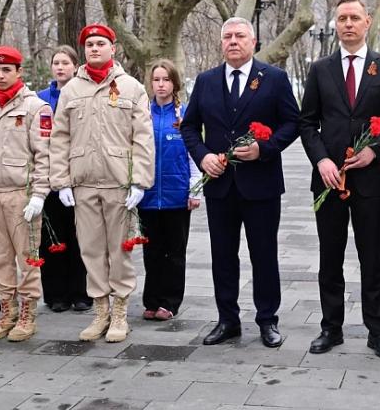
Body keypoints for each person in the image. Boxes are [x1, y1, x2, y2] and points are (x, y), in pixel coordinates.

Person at [299, 0, 380, 359]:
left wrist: (375, 150)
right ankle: (331, 328)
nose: (348, 24)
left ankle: (378, 330)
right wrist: (321, 161)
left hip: (370, 181)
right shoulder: (320, 69)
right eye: (342, 18)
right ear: (335, 24)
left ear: (368, 22)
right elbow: (307, 122)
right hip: (329, 180)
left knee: (371, 256)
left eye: (354, 18)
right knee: (330, 256)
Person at [180, 17, 300, 348]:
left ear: (253, 41)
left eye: (240, 36)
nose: (233, 41)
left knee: (264, 254)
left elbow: (293, 122)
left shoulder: (274, 78)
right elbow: (189, 126)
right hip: (220, 185)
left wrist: (265, 148)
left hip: (261, 184)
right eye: (228, 37)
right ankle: (227, 320)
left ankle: (267, 320)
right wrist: (203, 156)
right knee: (222, 256)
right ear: (221, 43)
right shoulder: (205, 81)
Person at [50, 24, 155, 343]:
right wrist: (61, 181)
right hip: (83, 183)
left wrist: (139, 181)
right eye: (89, 44)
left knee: (119, 250)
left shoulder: (131, 88)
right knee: (91, 249)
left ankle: (120, 312)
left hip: (118, 182)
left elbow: (143, 138)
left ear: (113, 48)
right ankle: (100, 311)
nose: (94, 48)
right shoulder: (71, 90)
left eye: (100, 43)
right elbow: (59, 137)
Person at [0, 46, 52, 342]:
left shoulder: (36, 107)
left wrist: (39, 194)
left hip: (21, 194)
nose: (1, 75)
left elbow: (44, 155)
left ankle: (28, 314)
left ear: (19, 72)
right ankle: (7, 311)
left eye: (7, 70)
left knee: (27, 257)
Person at [138, 59, 202, 321]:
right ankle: (152, 300)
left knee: (175, 252)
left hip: (177, 197)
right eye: (156, 80)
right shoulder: (142, 114)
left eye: (166, 79)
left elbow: (194, 155)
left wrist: (195, 190)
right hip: (148, 196)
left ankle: (170, 302)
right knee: (151, 251)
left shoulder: (184, 115)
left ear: (175, 83)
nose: (161, 84)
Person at [36, 45, 91, 313]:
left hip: (78, 174)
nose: (60, 67)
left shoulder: (83, 94)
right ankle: (56, 294)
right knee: (52, 238)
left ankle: (81, 292)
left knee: (79, 236)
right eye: (56, 63)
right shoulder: (41, 100)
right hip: (48, 175)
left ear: (75, 66)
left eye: (65, 63)